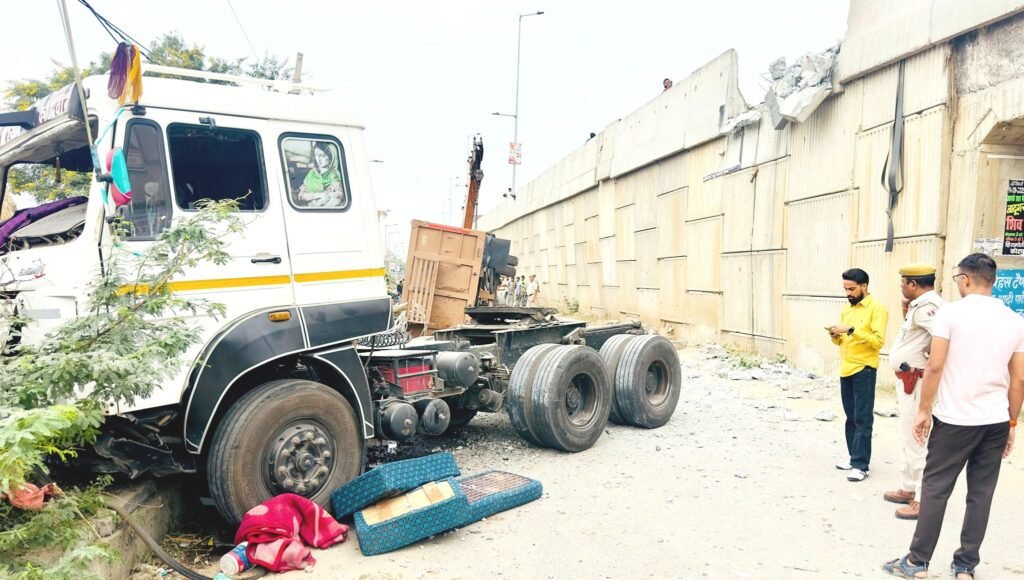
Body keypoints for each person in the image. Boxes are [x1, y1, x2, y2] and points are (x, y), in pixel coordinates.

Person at [883, 253, 1023, 580]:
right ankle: (965, 567)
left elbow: (934, 365)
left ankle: (917, 562)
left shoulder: (951, 314)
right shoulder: (1015, 319)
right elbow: (1018, 379)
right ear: (993, 281)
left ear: (965, 279)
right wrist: (1012, 422)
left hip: (955, 420)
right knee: (980, 494)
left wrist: (922, 411)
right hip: (995, 421)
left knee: (935, 487)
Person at [884, 262, 943, 520]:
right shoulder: (918, 306)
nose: (901, 287)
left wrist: (932, 357)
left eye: (903, 283)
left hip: (917, 380)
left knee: (918, 438)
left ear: (913, 284)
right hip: (908, 379)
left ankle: (921, 498)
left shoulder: (929, 307)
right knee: (907, 435)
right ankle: (908, 488)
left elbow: (944, 336)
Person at [829, 268, 888, 482]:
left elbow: (878, 341)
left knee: (863, 419)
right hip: (846, 368)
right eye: (846, 289)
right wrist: (836, 336)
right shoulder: (847, 310)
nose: (848, 293)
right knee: (850, 417)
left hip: (864, 369)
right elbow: (844, 340)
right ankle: (853, 457)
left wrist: (852, 330)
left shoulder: (877, 309)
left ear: (864, 286)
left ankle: (862, 465)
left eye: (852, 289)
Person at [297, 142, 345, 207]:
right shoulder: (311, 174)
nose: (319, 159)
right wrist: (316, 195)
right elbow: (301, 195)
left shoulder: (334, 174)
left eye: (322, 155)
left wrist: (328, 196)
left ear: (330, 156)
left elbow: (339, 195)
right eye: (316, 155)